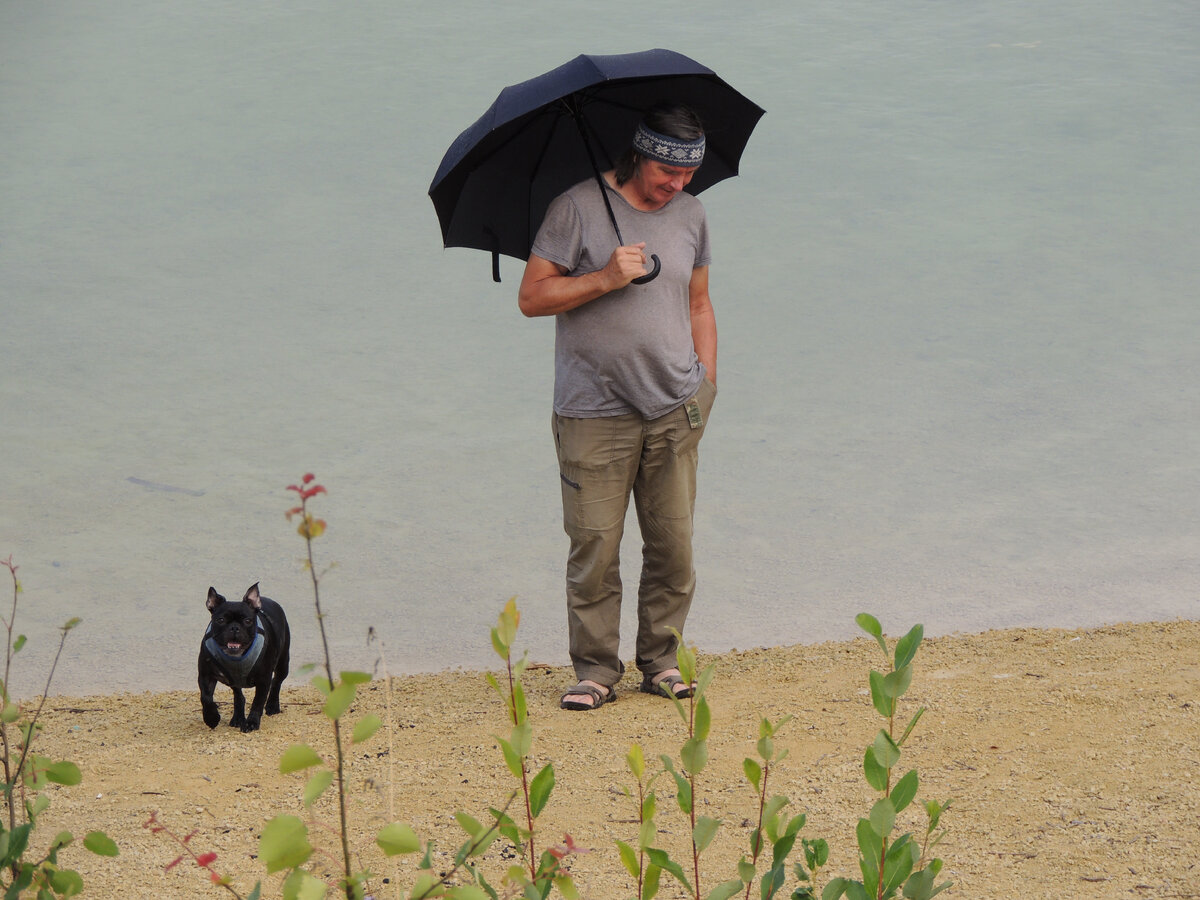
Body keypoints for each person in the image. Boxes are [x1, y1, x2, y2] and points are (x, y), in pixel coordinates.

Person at [517, 103, 718, 711]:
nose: (677, 186)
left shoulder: (691, 214)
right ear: (640, 155)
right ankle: (597, 670)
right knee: (595, 549)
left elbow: (700, 303)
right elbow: (531, 297)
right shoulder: (574, 209)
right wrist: (604, 277)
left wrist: (706, 384)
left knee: (673, 547)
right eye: (668, 173)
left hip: (674, 407)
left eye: (688, 175)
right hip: (592, 413)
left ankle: (660, 661)